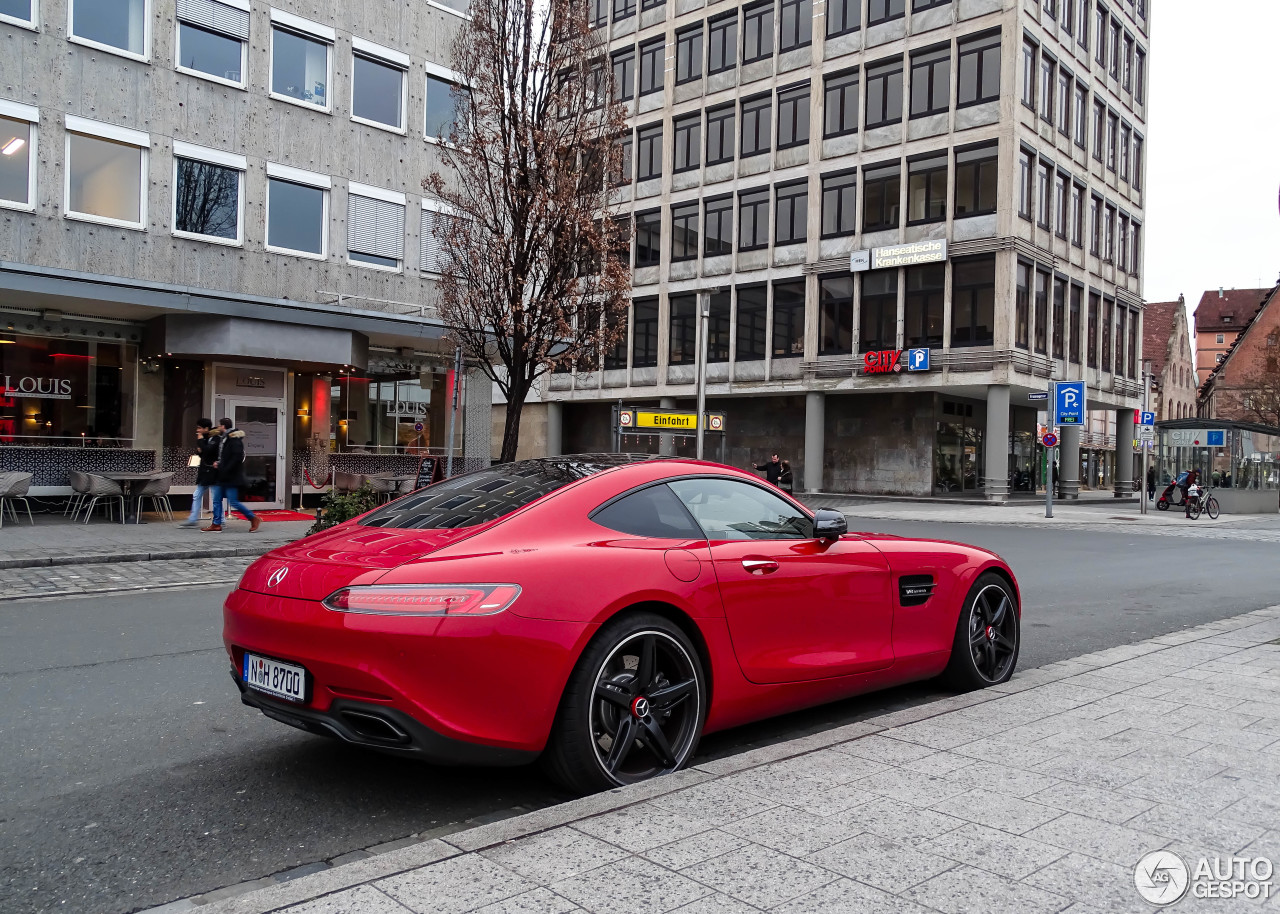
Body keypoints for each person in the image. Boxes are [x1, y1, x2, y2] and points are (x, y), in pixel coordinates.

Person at [204, 417, 261, 533]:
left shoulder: (234, 440)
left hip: (231, 477)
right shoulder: (225, 439)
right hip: (223, 475)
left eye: (219, 426)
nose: (218, 428)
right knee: (216, 499)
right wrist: (219, 463)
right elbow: (225, 457)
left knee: (233, 501)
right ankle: (216, 524)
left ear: (223, 427)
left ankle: (253, 518)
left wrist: (224, 468)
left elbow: (236, 458)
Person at [179, 418, 218, 527]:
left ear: (206, 428)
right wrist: (200, 450)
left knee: (215, 497)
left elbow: (209, 451)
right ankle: (193, 518)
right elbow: (203, 453)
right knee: (197, 495)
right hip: (205, 472)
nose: (198, 430)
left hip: (213, 472)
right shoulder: (206, 438)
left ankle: (220, 520)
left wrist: (201, 443)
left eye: (200, 428)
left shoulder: (215, 438)